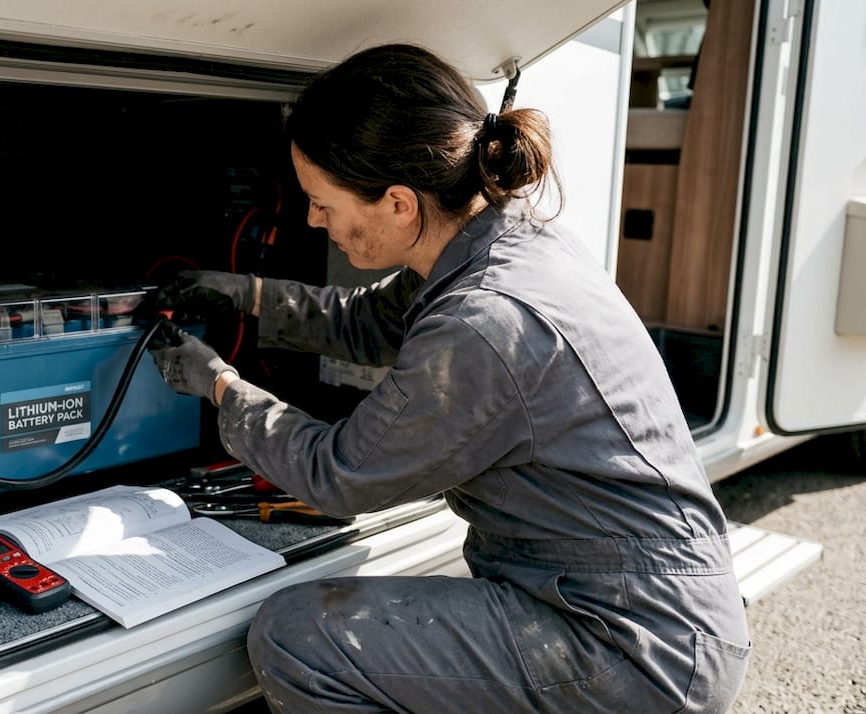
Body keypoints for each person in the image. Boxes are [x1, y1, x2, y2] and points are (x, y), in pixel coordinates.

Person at [148, 43, 750, 713]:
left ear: (400, 203)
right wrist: (246, 293)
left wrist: (220, 386)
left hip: (628, 648)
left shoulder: (483, 321)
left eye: (322, 202)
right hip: (641, 609)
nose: (314, 219)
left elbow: (340, 474)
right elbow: (368, 322)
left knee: (298, 637)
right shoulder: (502, 240)